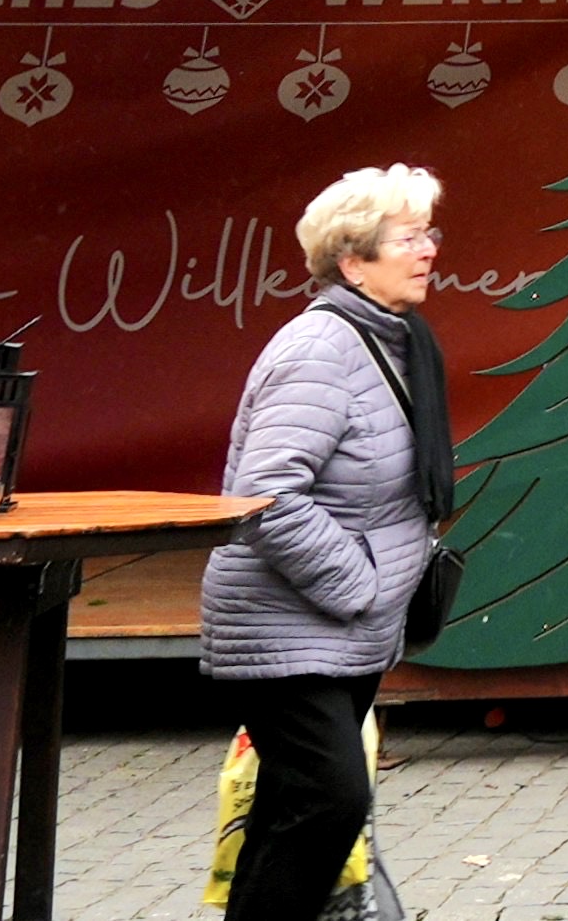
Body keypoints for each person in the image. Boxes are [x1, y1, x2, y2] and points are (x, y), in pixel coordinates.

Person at [199, 166, 453, 921]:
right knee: (329, 803)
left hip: (343, 633)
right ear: (352, 261)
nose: (428, 251)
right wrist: (362, 583)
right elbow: (266, 494)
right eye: (407, 238)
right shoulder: (319, 350)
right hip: (288, 627)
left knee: (292, 810)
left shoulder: (395, 341)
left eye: (427, 233)